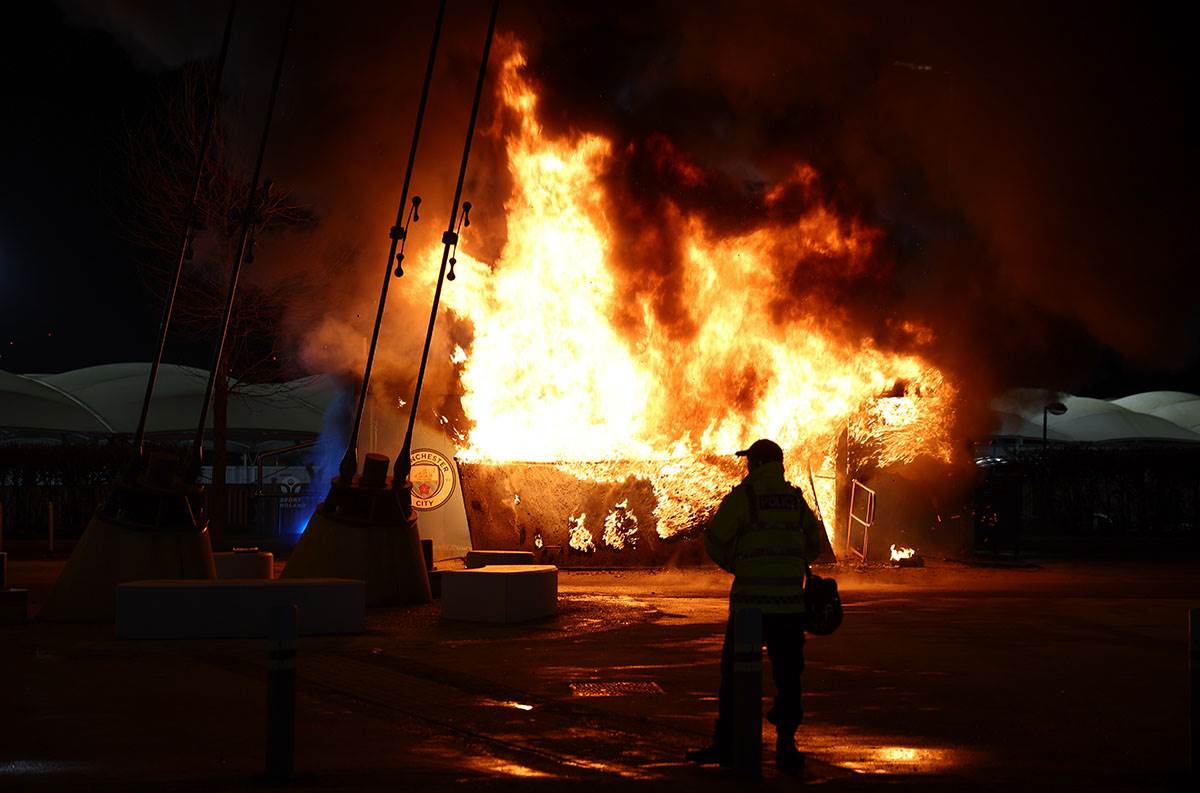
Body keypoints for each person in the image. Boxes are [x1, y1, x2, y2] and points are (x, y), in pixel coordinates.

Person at [686, 438, 825, 772]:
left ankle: (728, 744)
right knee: (789, 677)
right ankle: (786, 746)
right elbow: (814, 544)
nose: (747, 467)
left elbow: (714, 540)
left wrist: (738, 564)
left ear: (758, 464)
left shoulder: (744, 497)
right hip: (789, 608)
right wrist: (792, 564)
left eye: (750, 461)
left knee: (735, 675)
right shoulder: (794, 499)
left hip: (749, 609)